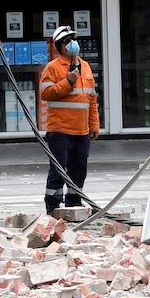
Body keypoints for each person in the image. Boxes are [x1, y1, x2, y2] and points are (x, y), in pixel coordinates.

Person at [39, 25, 99, 216]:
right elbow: (46, 93)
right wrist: (68, 81)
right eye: (67, 41)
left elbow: (91, 98)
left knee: (79, 170)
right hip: (60, 130)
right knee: (58, 170)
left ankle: (74, 202)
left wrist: (94, 125)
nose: (72, 43)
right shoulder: (53, 68)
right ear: (59, 45)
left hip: (81, 131)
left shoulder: (86, 66)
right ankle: (53, 205)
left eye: (73, 39)